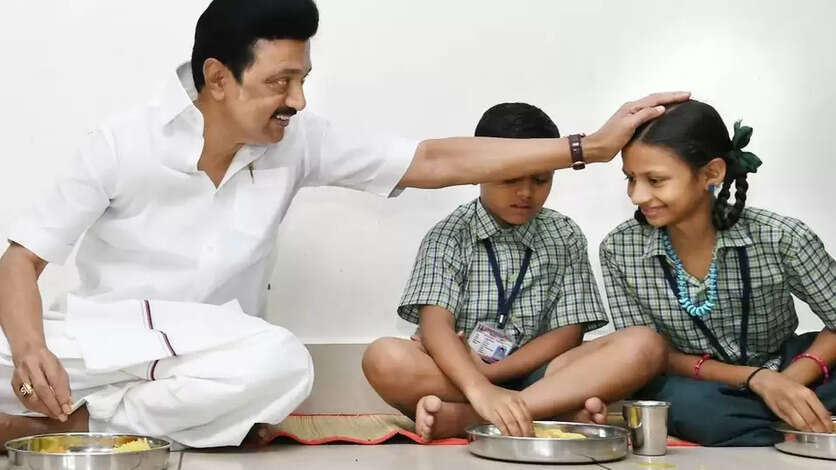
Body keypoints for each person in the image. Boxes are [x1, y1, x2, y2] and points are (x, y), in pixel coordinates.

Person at [0, 0, 687, 448]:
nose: (298, 100)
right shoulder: (121, 142)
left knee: (282, 363)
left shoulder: (300, 141)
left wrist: (587, 148)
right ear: (218, 78)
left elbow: (433, 158)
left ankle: (73, 424)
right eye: (281, 82)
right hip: (106, 341)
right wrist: (31, 349)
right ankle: (159, 416)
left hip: (220, 355)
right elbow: (21, 261)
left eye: (303, 79)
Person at [362, 103, 667, 441]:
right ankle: (552, 415)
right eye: (510, 179)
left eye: (541, 179)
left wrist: (494, 376)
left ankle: (472, 419)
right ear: (478, 170)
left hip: (544, 377)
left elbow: (569, 333)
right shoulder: (449, 235)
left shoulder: (564, 233)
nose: (525, 193)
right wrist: (477, 384)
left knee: (644, 345)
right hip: (460, 378)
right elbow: (436, 328)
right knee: (384, 359)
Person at [600, 99, 836, 446]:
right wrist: (756, 380)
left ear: (712, 173)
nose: (637, 195)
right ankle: (796, 424)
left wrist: (791, 380)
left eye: (655, 180)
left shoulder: (782, 236)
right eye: (631, 179)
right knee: (692, 409)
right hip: (700, 383)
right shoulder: (620, 248)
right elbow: (650, 355)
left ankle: (781, 419)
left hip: (788, 365)